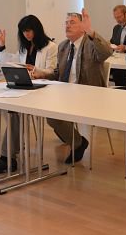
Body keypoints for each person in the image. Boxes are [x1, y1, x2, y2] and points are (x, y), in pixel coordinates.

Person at [0, 15, 58, 175]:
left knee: (16, 113)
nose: (26, 34)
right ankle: (7, 158)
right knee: (13, 111)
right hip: (25, 88)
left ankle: (7, 158)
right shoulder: (24, 48)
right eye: (23, 32)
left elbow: (52, 72)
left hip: (44, 90)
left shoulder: (51, 47)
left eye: (28, 31)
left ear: (36, 29)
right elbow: (12, 61)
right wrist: (1, 47)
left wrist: (36, 71)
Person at [47, 9, 113, 164]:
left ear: (82, 26)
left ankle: (75, 142)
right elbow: (58, 73)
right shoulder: (63, 46)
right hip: (66, 94)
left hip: (89, 95)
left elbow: (106, 52)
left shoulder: (90, 43)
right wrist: (40, 74)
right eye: (66, 23)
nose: (67, 26)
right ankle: (78, 142)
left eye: (72, 22)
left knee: (54, 117)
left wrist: (91, 32)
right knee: (50, 113)